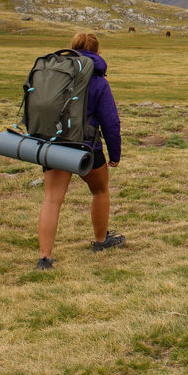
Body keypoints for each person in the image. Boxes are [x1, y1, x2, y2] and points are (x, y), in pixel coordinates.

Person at [35, 32, 125, 270]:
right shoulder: (97, 80)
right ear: (97, 52)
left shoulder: (54, 74)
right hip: (86, 148)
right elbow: (110, 121)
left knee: (52, 200)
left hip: (53, 144)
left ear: (72, 48)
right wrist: (114, 154)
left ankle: (45, 258)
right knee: (100, 190)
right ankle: (100, 240)